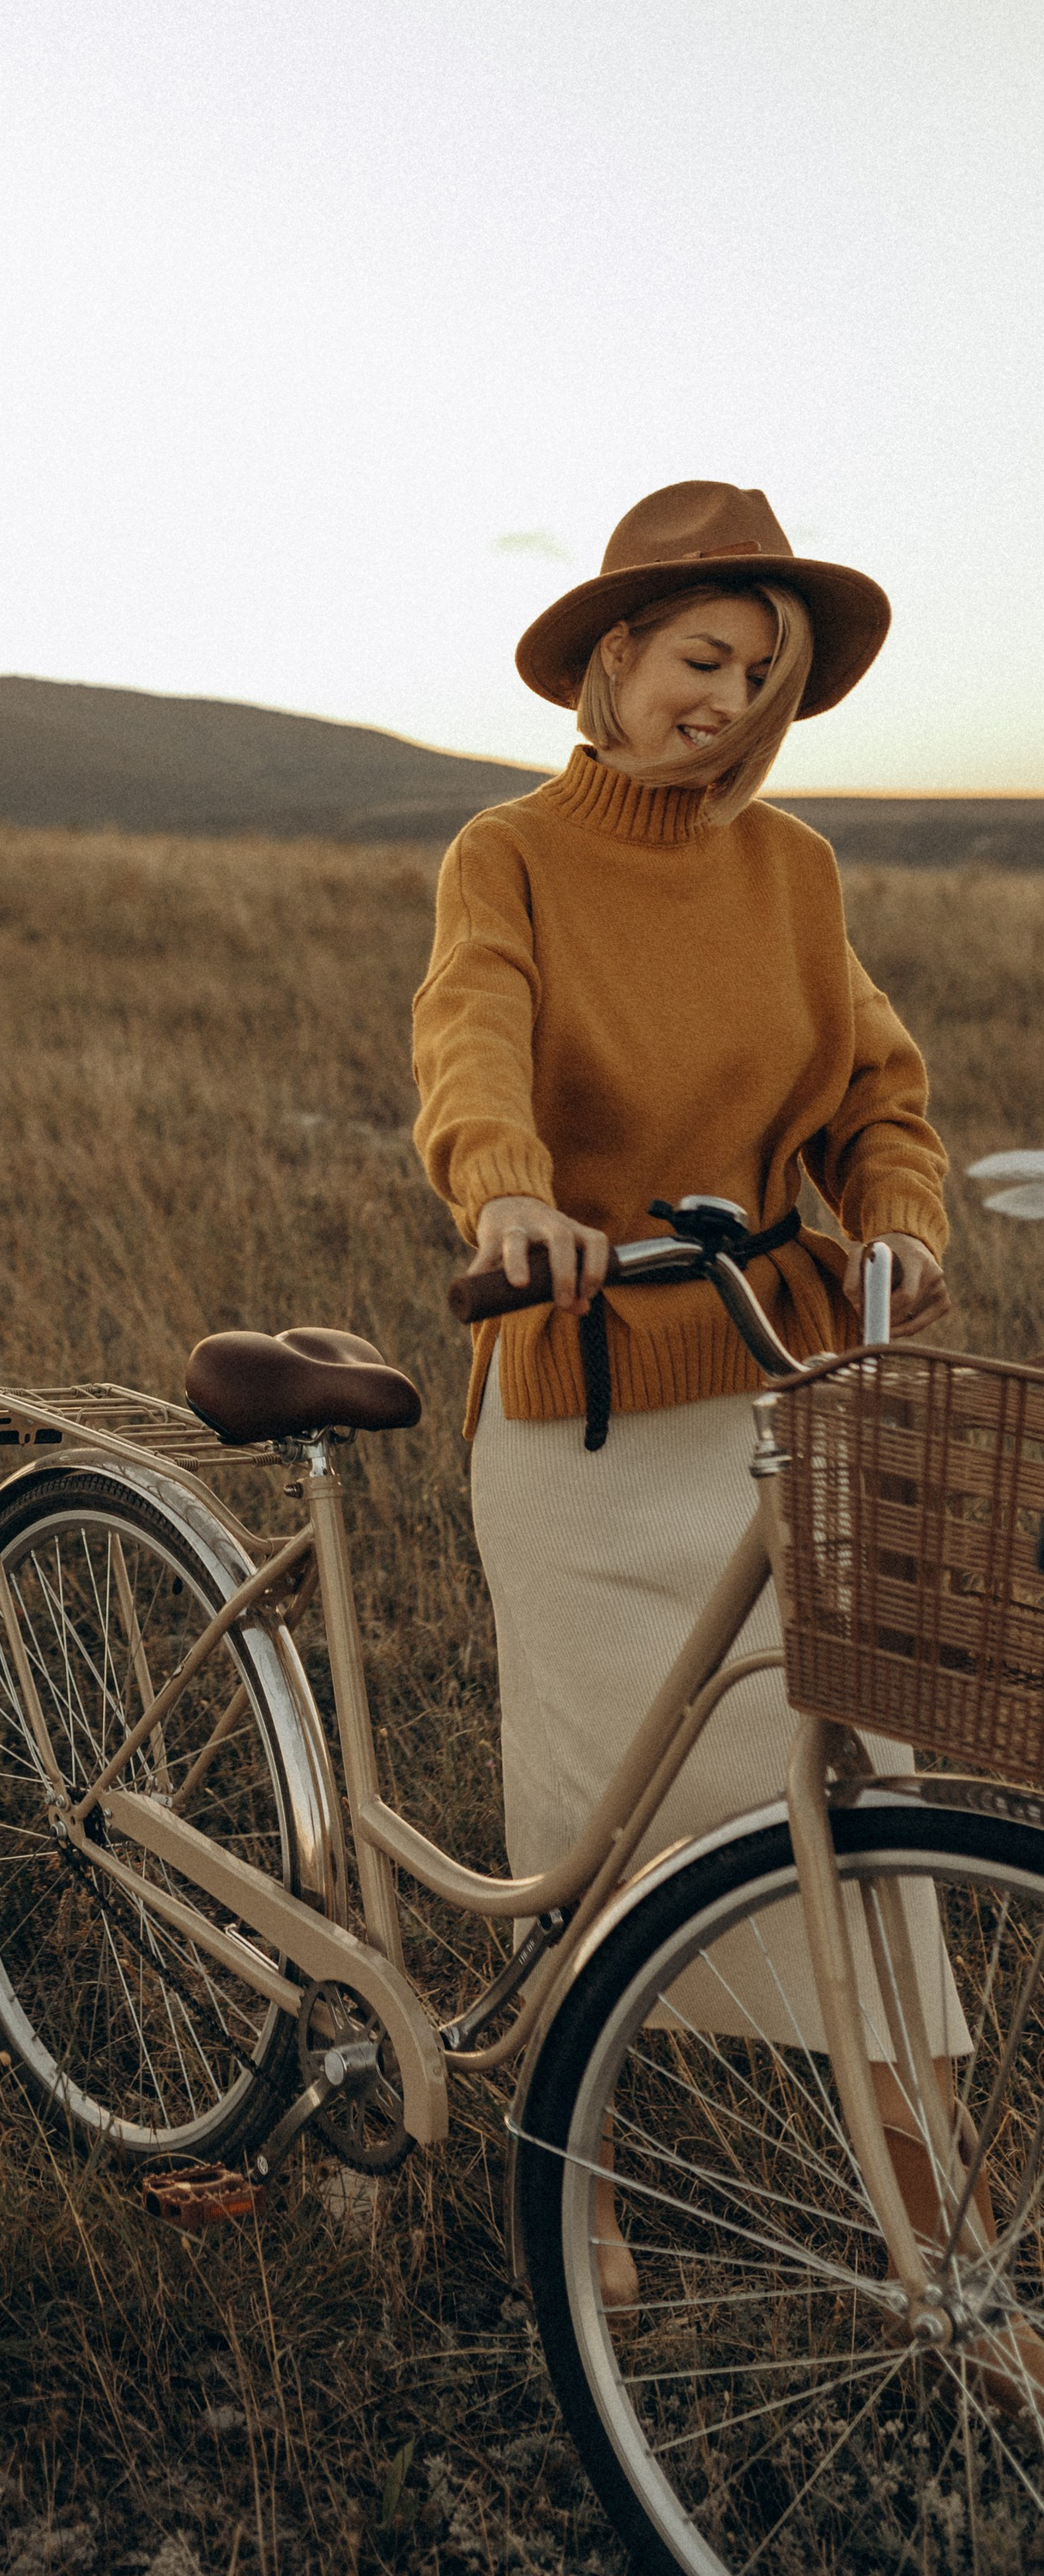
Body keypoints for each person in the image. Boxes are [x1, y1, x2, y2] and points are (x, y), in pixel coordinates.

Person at [411, 481, 960, 2309]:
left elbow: (879, 1089)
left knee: (857, 1790)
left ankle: (946, 2232)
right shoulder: (506, 854)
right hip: (573, 1402)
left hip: (776, 1401)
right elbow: (467, 1028)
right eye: (698, 659)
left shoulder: (790, 874)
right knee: (594, 1824)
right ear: (611, 658)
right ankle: (581, 2194)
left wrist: (896, 1220)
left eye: (761, 676)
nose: (722, 701)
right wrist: (502, 1186)